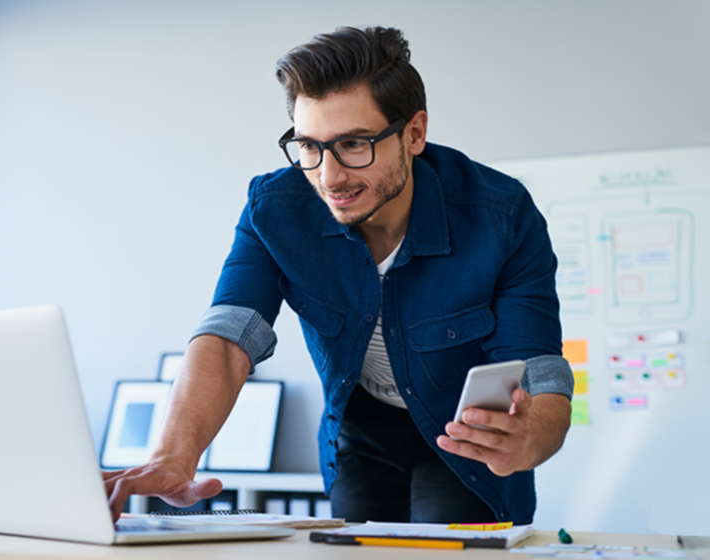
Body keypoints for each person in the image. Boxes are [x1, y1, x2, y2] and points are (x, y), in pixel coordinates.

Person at [103, 25, 573, 525]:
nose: (329, 177)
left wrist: (529, 440)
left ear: (414, 133)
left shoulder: (501, 216)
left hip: (464, 439)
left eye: (353, 144)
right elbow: (227, 336)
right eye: (309, 146)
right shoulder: (275, 210)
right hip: (360, 431)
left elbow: (538, 369)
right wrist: (173, 455)